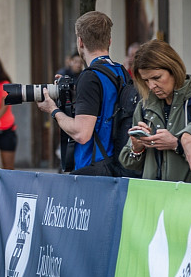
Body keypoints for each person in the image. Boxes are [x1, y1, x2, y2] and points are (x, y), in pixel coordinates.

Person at [37, 11, 131, 176]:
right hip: (116, 165)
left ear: (80, 42)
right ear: (109, 41)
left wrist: (52, 110)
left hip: (92, 169)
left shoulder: (90, 77)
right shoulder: (120, 71)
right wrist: (74, 91)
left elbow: (82, 134)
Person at [118, 40, 191, 182]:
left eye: (156, 78)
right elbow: (129, 163)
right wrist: (137, 148)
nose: (152, 86)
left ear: (173, 69)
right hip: (153, 194)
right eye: (146, 80)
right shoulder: (144, 105)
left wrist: (176, 144)